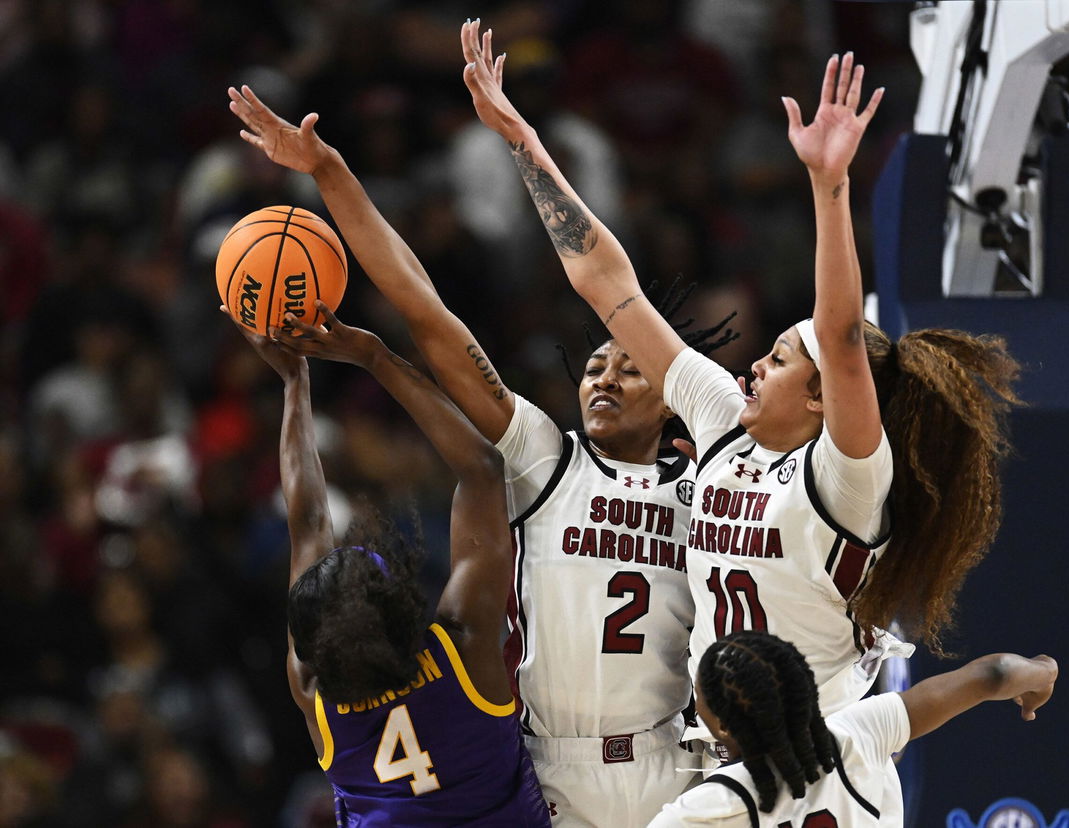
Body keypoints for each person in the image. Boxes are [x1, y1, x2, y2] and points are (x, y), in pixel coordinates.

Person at [461, 21, 1022, 716]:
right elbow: (609, 283)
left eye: (780, 359)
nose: (756, 364)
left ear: (822, 399)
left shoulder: (847, 479)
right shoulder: (725, 418)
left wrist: (829, 185)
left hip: (819, 763)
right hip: (723, 759)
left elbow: (842, 337)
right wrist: (522, 139)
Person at [227, 78, 737, 826]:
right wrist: (329, 173)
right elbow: (426, 313)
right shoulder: (543, 459)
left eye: (631, 364)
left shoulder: (715, 480)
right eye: (596, 363)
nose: (604, 372)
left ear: (676, 396)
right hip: (551, 770)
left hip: (673, 762)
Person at [220, 306, 549, 826]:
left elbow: (307, 524)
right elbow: (483, 470)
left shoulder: (315, 694)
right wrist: (373, 356)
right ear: (403, 601)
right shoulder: (460, 650)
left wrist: (292, 383)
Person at [647, 630, 1058, 826]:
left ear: (717, 723)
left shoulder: (708, 806)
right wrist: (1044, 672)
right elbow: (994, 673)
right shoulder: (859, 731)